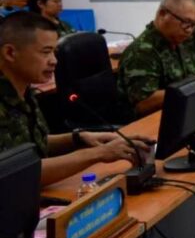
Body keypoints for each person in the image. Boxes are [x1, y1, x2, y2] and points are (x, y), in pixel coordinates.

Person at [0, 13, 152, 186]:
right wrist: (98, 154)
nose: (54, 61)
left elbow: (31, 145)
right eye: (46, 52)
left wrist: (79, 138)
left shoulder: (25, 91)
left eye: (54, 52)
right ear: (10, 53)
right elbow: (17, 174)